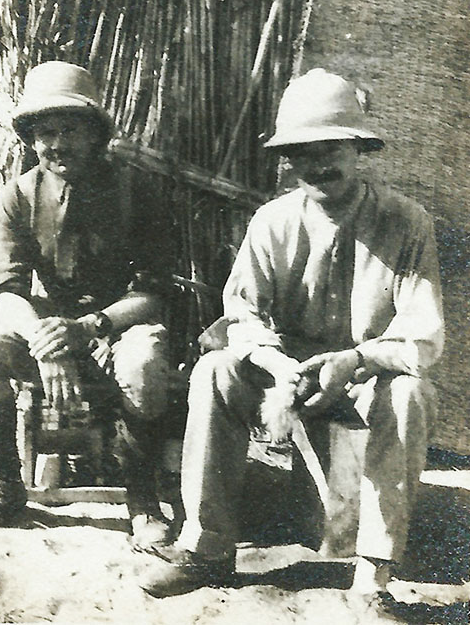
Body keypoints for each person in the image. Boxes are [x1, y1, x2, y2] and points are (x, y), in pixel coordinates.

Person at [139, 68, 444, 598]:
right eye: (304, 153)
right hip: (286, 376)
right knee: (214, 372)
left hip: (362, 379)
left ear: (357, 149)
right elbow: (240, 312)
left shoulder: (405, 221)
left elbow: (423, 332)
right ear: (288, 159)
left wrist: (355, 361)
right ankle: (207, 548)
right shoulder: (272, 221)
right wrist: (276, 363)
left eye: (332, 149)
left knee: (411, 394)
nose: (319, 165)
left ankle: (374, 572)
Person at [0, 61, 174, 548]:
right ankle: (7, 489)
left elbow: (152, 293)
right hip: (47, 331)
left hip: (117, 326)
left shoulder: (136, 193)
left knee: (145, 363)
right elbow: (7, 291)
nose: (57, 144)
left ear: (95, 134)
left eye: (69, 130)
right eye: (45, 133)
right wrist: (47, 344)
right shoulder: (18, 197)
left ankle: (143, 502)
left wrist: (89, 327)